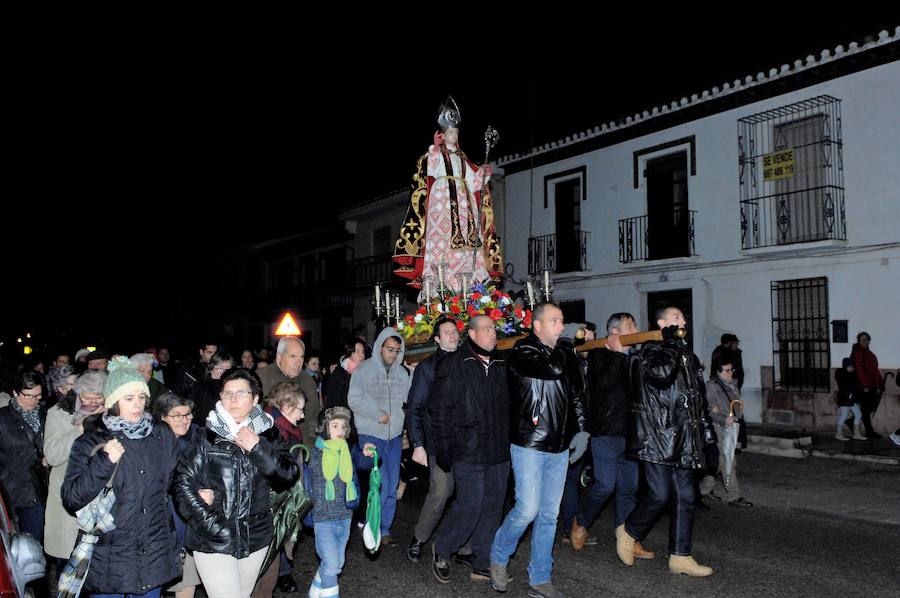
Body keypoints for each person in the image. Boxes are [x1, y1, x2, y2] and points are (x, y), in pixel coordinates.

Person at [489, 303, 588, 598]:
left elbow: (577, 393)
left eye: (562, 321)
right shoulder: (523, 352)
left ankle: (540, 577)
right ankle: (498, 556)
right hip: (530, 443)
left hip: (558, 445)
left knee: (548, 515)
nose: (561, 326)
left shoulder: (565, 354)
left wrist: (582, 429)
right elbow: (553, 369)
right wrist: (568, 343)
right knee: (527, 509)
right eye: (555, 321)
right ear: (538, 326)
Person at [62, 356, 181, 597]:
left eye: (141, 397)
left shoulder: (161, 434)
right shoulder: (92, 440)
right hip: (110, 554)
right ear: (113, 401)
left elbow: (175, 481)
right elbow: (72, 497)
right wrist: (104, 462)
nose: (137, 404)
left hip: (153, 550)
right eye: (129, 398)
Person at [174, 369, 299, 598]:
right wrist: (212, 525)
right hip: (213, 538)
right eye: (227, 393)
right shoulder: (205, 436)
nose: (233, 399)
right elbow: (182, 483)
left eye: (240, 393)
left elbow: (287, 476)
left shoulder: (269, 434)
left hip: (256, 537)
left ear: (255, 398)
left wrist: (257, 448)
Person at [616, 306, 717, 577]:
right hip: (657, 437)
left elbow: (698, 400)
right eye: (676, 318)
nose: (682, 322)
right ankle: (629, 531)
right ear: (661, 324)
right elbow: (661, 376)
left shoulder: (688, 356)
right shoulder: (650, 350)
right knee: (659, 494)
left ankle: (680, 556)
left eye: (683, 318)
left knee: (686, 496)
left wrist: (708, 437)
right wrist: (670, 342)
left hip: (685, 437)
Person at [565, 313, 655, 560]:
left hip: (631, 433)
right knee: (604, 485)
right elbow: (604, 384)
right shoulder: (599, 354)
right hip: (605, 431)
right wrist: (617, 355)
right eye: (630, 325)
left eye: (635, 324)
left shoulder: (635, 358)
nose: (636, 329)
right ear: (614, 331)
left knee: (629, 488)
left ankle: (628, 538)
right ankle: (581, 521)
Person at [430, 315, 511, 587]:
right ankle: (443, 549)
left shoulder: (501, 364)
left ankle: (480, 560)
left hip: (497, 450)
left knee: (492, 507)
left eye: (494, 329)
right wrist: (443, 448)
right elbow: (440, 410)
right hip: (468, 449)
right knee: (471, 505)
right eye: (487, 329)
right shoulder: (455, 365)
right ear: (473, 335)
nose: (493, 333)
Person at [392, 96, 502, 291]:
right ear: (442, 134)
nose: (454, 136)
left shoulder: (462, 159)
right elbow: (428, 169)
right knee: (442, 244)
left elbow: (473, 182)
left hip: (464, 207)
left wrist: (482, 175)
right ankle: (441, 282)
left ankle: (471, 282)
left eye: (456, 132)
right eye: (450, 132)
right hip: (442, 202)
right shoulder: (435, 155)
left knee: (469, 245)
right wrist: (434, 149)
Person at [347, 328, 412, 546]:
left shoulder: (402, 373)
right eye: (389, 349)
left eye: (397, 350)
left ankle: (384, 528)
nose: (393, 354)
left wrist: (414, 374)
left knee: (392, 483)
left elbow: (410, 399)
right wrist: (377, 413)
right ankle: (370, 523)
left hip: (393, 437)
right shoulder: (363, 371)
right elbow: (354, 400)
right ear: (379, 347)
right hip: (371, 435)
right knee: (378, 482)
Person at [405, 318, 461, 563]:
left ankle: (463, 546)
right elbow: (415, 408)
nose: (452, 335)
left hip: (467, 442)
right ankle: (419, 538)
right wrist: (418, 444)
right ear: (437, 339)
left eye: (455, 331)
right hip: (438, 441)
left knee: (468, 494)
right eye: (446, 332)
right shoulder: (427, 368)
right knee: (441, 491)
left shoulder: (469, 362)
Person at [43, 370, 107, 585]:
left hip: (101, 501)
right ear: (78, 394)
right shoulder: (59, 413)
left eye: (99, 399)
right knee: (68, 568)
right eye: (87, 399)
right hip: (69, 500)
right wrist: (78, 428)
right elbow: (52, 455)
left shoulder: (112, 414)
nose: (93, 404)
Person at [304, 407, 375, 598]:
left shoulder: (349, 451)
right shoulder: (314, 453)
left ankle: (315, 590)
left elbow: (365, 464)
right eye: (334, 426)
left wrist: (368, 454)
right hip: (322, 518)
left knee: (337, 563)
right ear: (324, 428)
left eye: (344, 426)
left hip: (344, 516)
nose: (340, 431)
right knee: (332, 563)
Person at [154, 392, 203, 598]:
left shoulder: (194, 440)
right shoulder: (150, 444)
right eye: (177, 415)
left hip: (186, 523)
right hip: (160, 524)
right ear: (162, 417)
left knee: (187, 579)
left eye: (188, 414)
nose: (184, 420)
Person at [0, 372, 48, 543]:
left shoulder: (45, 415)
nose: (34, 401)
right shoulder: (3, 419)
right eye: (28, 396)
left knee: (35, 546)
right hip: (12, 493)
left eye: (38, 396)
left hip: (39, 492)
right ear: (14, 392)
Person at [701, 358, 753, 507]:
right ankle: (733, 496)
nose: (731, 373)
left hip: (731, 429)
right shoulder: (712, 387)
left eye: (732, 370)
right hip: (718, 430)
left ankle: (703, 490)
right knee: (729, 462)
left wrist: (731, 417)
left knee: (718, 463)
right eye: (727, 370)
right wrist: (723, 418)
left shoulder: (732, 386)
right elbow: (709, 410)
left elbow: (738, 408)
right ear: (718, 372)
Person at [257, 336, 320, 451]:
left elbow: (311, 419)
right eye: (293, 356)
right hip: (268, 448)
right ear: (279, 357)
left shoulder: (308, 381)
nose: (298, 362)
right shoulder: (261, 378)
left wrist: (308, 449)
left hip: (299, 446)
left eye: (301, 357)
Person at [851, 332, 883, 438]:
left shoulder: (871, 355)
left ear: (869, 341)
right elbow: (859, 371)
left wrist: (878, 385)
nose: (865, 342)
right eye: (862, 340)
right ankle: (869, 432)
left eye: (866, 339)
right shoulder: (858, 354)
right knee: (866, 410)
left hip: (872, 386)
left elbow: (875, 371)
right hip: (863, 387)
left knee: (868, 409)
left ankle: (851, 421)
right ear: (859, 342)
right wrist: (865, 385)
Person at [190, 352, 234, 424]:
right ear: (211, 368)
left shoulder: (233, 387)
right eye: (220, 368)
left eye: (228, 369)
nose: (225, 372)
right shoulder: (201, 386)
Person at [834, 358, 867, 441]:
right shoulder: (842, 375)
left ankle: (856, 434)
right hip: (845, 399)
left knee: (858, 414)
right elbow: (846, 388)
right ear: (845, 366)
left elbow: (856, 386)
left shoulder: (852, 374)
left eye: (852, 366)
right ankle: (838, 434)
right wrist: (850, 394)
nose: (852, 368)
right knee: (843, 416)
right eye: (850, 366)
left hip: (852, 399)